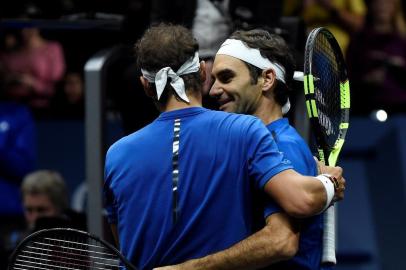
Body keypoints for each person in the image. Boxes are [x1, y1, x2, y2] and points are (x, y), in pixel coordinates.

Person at [103, 23, 345, 270]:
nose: (215, 90)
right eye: (215, 78)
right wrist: (329, 184)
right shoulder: (245, 135)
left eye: (227, 77)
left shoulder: (280, 144)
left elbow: (282, 240)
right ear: (202, 73)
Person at [346, 0, 406, 115]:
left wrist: (398, 65)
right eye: (378, 2)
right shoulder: (359, 41)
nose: (382, 6)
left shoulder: (402, 41)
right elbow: (347, 77)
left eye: (387, 3)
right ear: (370, 6)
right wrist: (366, 80)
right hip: (365, 108)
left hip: (400, 109)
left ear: (395, 8)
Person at [0, 25, 66, 117]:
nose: (24, 31)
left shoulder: (52, 48)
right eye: (21, 27)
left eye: (28, 27)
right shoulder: (11, 52)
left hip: (44, 107)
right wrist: (12, 79)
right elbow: (4, 76)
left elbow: (57, 79)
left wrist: (33, 83)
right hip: (11, 105)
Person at [284, 0, 366, 55]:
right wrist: (301, 6)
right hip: (299, 46)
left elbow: (358, 24)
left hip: (330, 51)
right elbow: (283, 21)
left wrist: (330, 7)